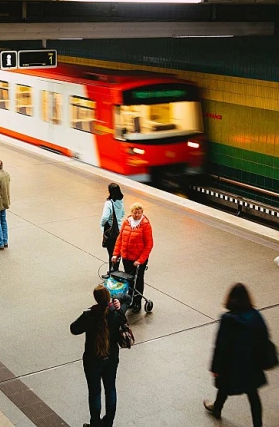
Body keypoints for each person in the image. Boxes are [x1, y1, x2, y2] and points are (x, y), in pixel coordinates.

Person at [203, 283, 271, 427]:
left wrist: (215, 368)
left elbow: (220, 346)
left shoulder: (227, 319)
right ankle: (257, 424)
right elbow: (264, 338)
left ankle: (217, 409)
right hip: (251, 364)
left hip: (231, 364)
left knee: (224, 388)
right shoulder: (256, 315)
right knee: (253, 395)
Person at [70, 285, 130, 427]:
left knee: (95, 392)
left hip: (92, 359)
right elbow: (128, 298)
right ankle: (108, 422)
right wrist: (117, 301)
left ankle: (95, 423)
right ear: (109, 297)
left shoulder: (89, 315)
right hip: (111, 358)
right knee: (110, 389)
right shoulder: (116, 312)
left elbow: (74, 328)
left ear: (96, 299)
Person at [111, 202, 153, 311]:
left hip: (138, 260)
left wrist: (140, 260)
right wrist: (116, 254)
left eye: (139, 213)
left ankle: (137, 302)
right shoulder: (127, 222)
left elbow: (149, 244)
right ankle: (129, 299)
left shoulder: (145, 225)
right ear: (132, 213)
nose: (137, 215)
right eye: (135, 213)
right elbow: (120, 239)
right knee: (129, 280)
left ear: (142, 213)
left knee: (138, 280)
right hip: (127, 257)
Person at [100, 183, 125, 279]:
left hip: (110, 230)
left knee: (111, 252)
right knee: (117, 251)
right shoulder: (121, 201)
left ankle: (111, 271)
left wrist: (102, 224)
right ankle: (115, 269)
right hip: (119, 229)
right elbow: (122, 213)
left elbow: (105, 217)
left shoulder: (109, 203)